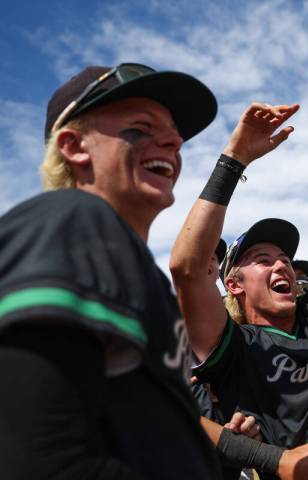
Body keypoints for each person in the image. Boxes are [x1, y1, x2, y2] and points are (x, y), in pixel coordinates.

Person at [170, 65, 308, 480]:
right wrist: (235, 159)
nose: (281, 264)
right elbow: (185, 268)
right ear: (232, 283)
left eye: (285, 258)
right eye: (261, 258)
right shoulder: (232, 349)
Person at [0, 63, 223, 478]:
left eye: (174, 134)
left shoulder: (130, 261)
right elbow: (38, 456)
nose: (173, 141)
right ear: (74, 146)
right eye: (141, 127)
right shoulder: (74, 220)